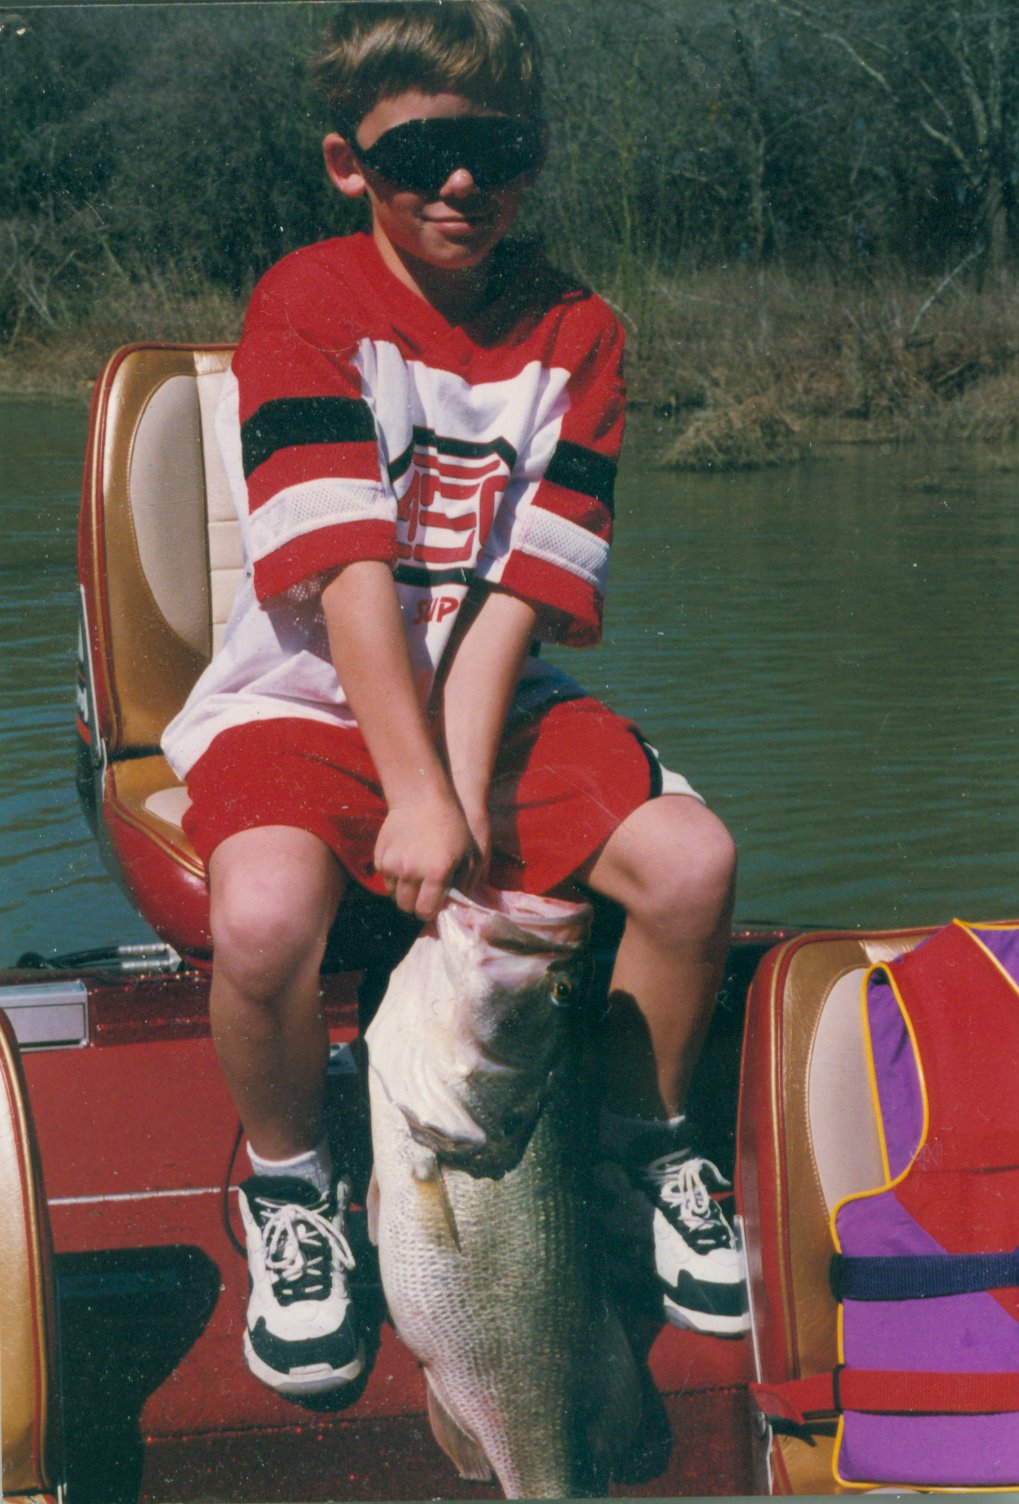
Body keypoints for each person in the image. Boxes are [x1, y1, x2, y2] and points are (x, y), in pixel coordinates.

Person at [161, 0, 746, 1400]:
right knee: (260, 920)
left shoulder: (581, 332)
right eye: (421, 153)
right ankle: (297, 1187)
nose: (464, 185)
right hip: (302, 700)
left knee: (691, 866)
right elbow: (348, 569)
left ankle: (643, 1147)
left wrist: (460, 788)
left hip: (496, 693)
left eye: (502, 149)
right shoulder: (303, 302)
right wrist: (415, 790)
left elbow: (521, 596)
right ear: (346, 162)